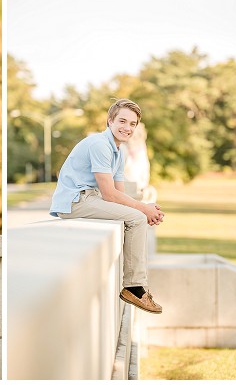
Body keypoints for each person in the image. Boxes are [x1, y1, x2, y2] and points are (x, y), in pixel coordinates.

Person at [49, 98, 165, 314]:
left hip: (91, 198)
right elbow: (109, 194)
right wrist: (144, 210)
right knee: (137, 218)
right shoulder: (99, 145)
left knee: (138, 215)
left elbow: (119, 193)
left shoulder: (118, 151)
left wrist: (146, 208)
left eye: (132, 124)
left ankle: (135, 286)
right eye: (122, 121)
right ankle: (134, 287)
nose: (127, 128)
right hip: (76, 200)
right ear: (110, 121)